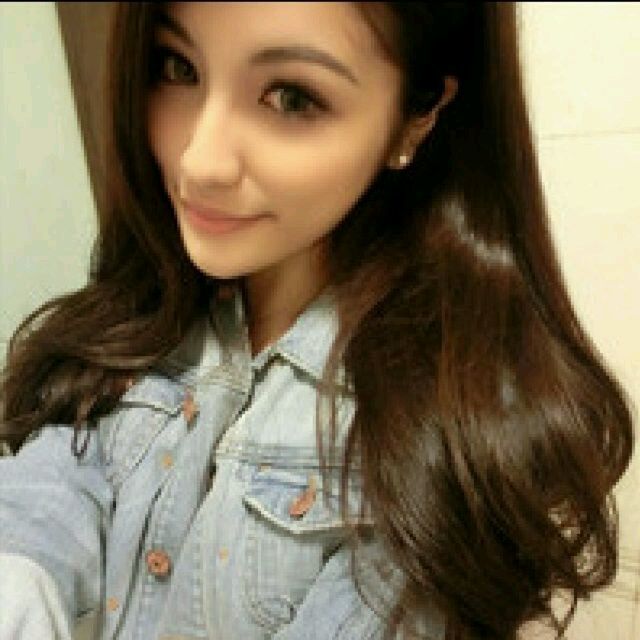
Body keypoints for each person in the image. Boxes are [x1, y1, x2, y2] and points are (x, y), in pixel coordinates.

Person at [0, 2, 633, 639]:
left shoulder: (430, 442)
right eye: (177, 67)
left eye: (292, 98)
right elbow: (61, 478)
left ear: (415, 119)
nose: (199, 161)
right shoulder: (150, 309)